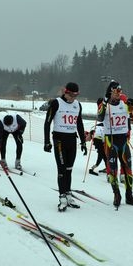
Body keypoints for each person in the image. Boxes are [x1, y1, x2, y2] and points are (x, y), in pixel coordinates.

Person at [43, 82, 87, 211]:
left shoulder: (77, 105)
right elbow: (47, 122)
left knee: (69, 169)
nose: (74, 98)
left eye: (76, 95)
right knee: (61, 170)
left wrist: (83, 141)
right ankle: (62, 196)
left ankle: (68, 194)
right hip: (59, 140)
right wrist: (47, 141)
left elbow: (79, 123)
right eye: (72, 95)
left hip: (72, 140)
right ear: (66, 92)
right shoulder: (56, 103)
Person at [97, 80, 133, 208]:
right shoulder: (104, 105)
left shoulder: (124, 103)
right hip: (111, 142)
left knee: (128, 168)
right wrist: (104, 102)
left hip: (123, 141)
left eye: (120, 91)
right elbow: (99, 117)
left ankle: (129, 195)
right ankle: (116, 194)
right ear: (110, 92)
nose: (118, 93)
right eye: (116, 91)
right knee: (112, 170)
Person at [88, 108, 106, 176]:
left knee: (102, 154)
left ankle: (94, 167)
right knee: (103, 154)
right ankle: (107, 167)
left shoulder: (93, 130)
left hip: (100, 137)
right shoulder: (93, 130)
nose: (89, 141)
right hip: (101, 138)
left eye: (88, 139)